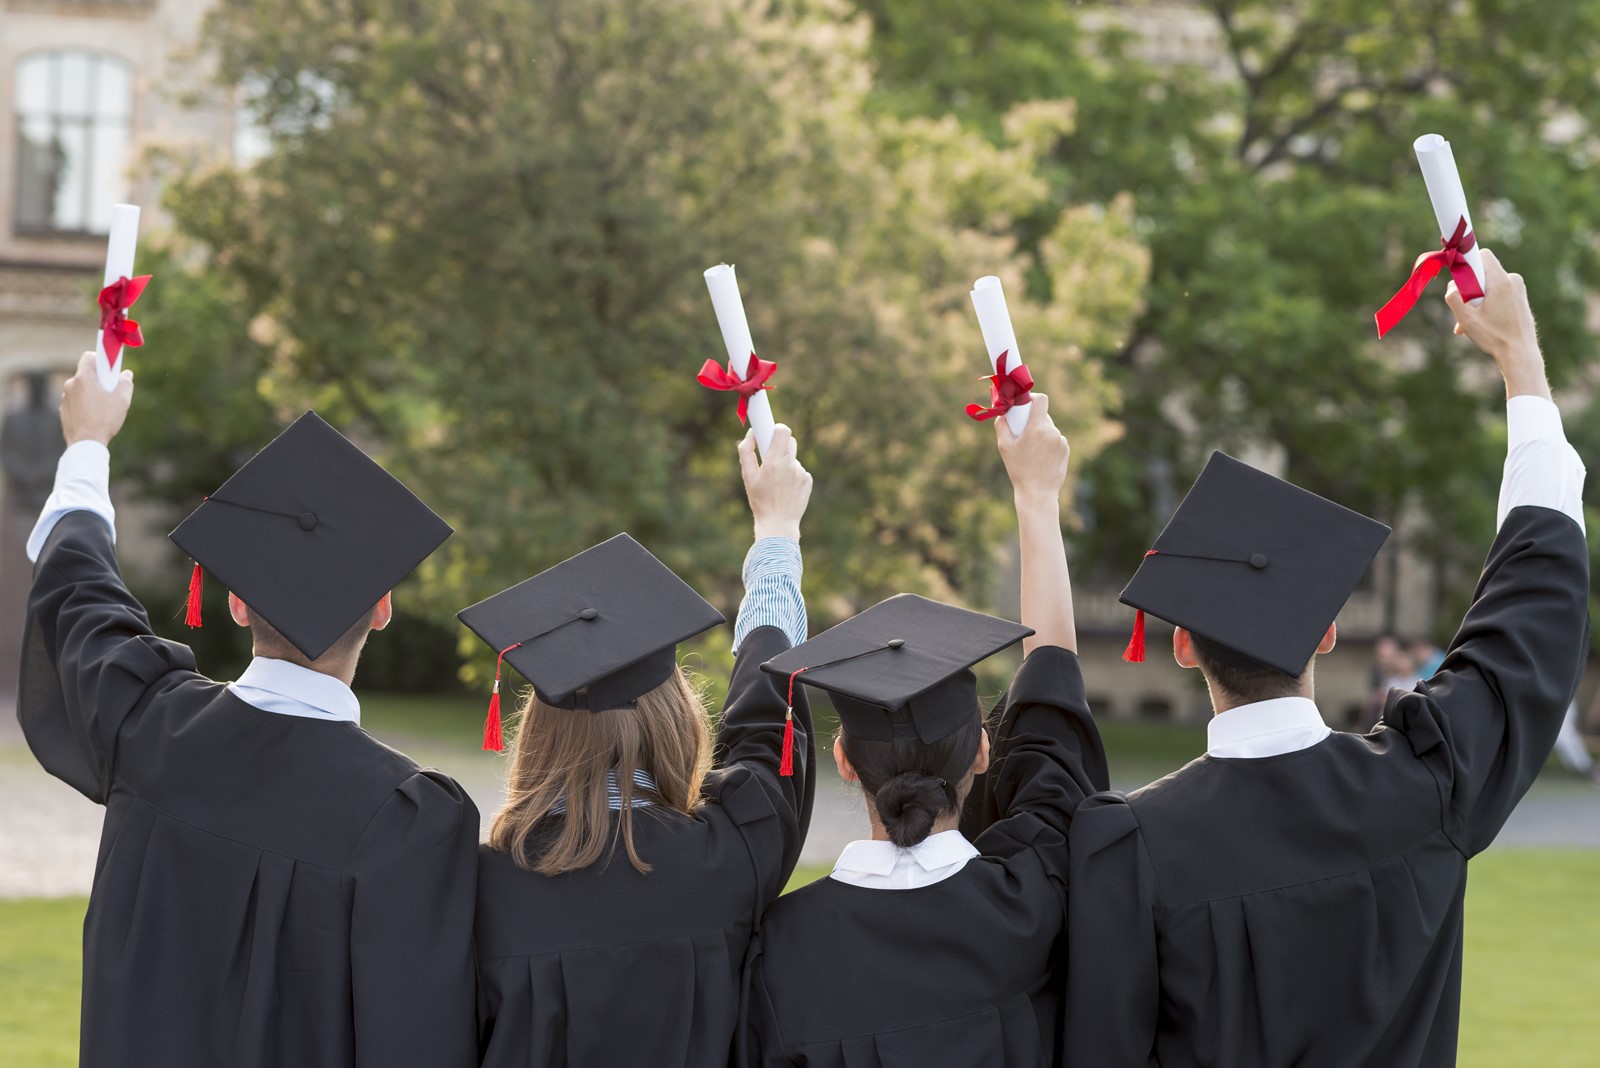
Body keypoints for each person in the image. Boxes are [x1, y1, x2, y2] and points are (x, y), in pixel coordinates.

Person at [1065, 249, 1589, 1066]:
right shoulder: (1425, 786)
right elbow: (1533, 612)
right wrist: (1520, 361)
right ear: (1326, 633)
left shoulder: (1132, 849)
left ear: (1181, 644)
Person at [18, 354, 478, 1068]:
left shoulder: (147, 724)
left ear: (236, 603)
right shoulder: (406, 822)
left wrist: (88, 443)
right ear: (382, 610)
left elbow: (80, 594)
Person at [741, 394, 1110, 1066]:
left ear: (844, 760)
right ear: (983, 750)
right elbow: (1053, 685)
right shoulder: (1034, 899)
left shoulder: (781, 952)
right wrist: (1036, 494)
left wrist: (775, 531)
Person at [464, 425, 816, 1067]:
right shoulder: (732, 855)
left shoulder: (476, 893)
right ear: (677, 718)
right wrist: (776, 533)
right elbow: (768, 723)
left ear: (537, 731)